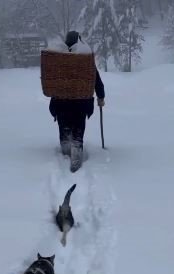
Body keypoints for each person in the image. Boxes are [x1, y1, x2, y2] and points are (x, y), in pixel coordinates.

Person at [49, 31, 105, 173]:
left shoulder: (59, 58)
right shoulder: (84, 59)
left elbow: (52, 78)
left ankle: (66, 150)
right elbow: (95, 79)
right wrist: (101, 97)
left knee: (64, 127)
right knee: (78, 129)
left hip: (61, 102)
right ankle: (76, 153)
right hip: (81, 102)